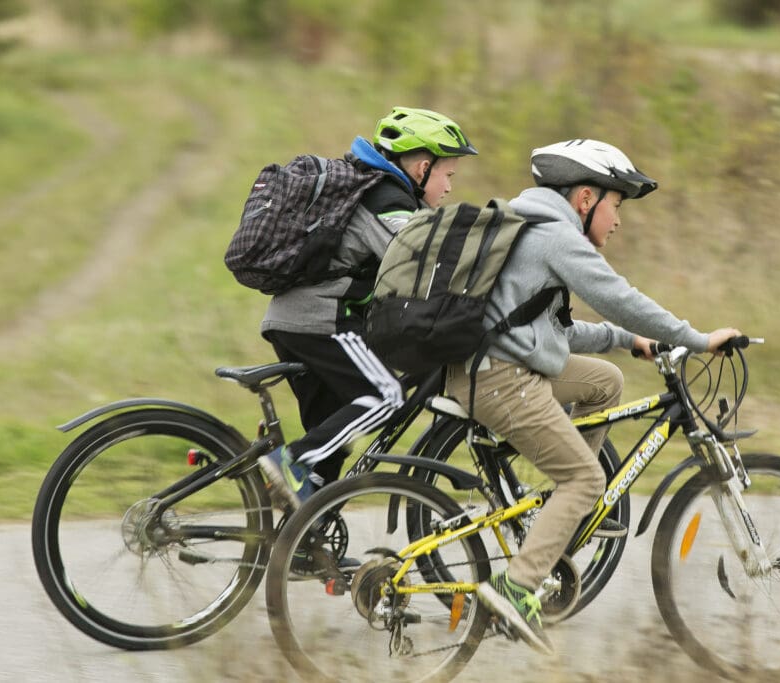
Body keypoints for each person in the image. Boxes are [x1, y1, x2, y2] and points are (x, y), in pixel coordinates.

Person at [445, 139, 741, 654]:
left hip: (495, 366)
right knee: (586, 478)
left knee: (605, 382)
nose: (618, 220)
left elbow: (551, 333)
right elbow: (618, 296)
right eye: (616, 205)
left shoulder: (531, 224)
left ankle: (561, 509)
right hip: (499, 380)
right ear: (586, 198)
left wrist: (627, 341)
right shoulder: (556, 236)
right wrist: (696, 339)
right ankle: (516, 588)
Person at [258, 106, 477, 513]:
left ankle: (301, 533)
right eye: (448, 174)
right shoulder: (387, 202)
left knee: (331, 448)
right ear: (423, 168)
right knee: (385, 395)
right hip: (321, 320)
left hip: (294, 321)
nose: (449, 186)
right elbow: (422, 270)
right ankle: (291, 461)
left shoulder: (375, 193)